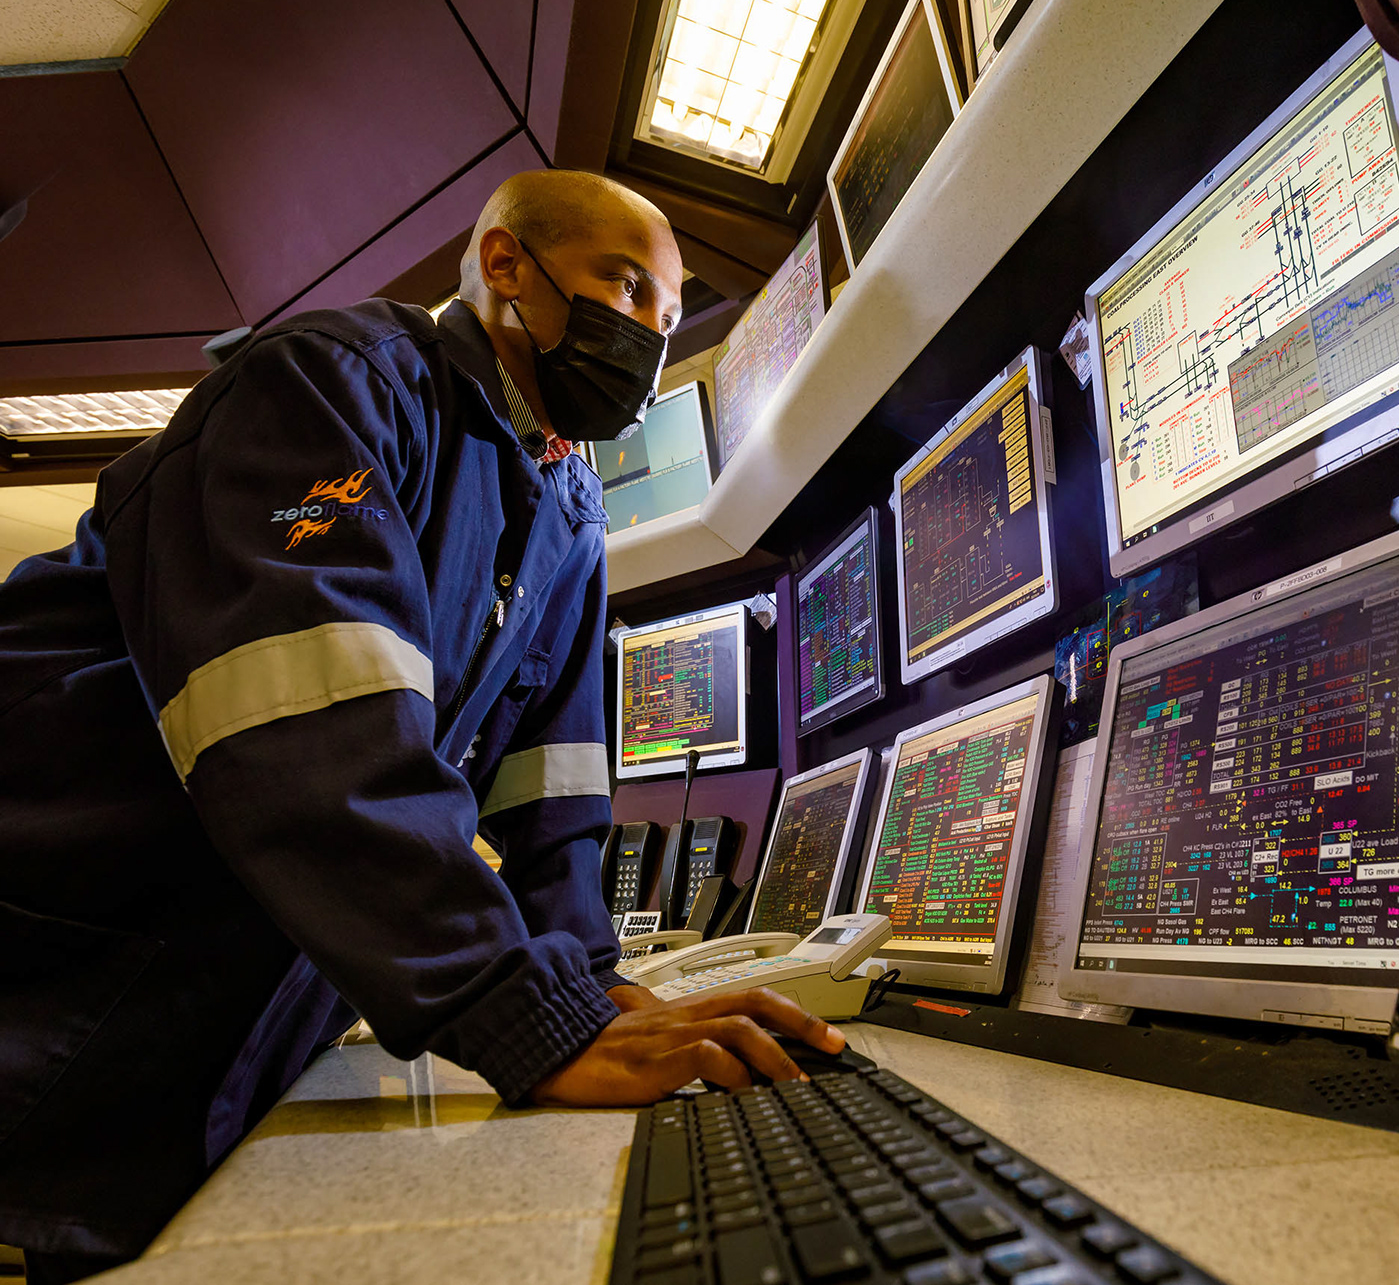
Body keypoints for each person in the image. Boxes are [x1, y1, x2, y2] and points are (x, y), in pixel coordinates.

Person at [0, 170, 842, 1281]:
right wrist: (515, 1013)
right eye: (625, 286)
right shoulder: (332, 383)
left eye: (668, 315)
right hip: (65, 940)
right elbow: (304, 727)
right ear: (506, 266)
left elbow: (554, 789)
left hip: (238, 983)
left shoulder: (569, 508)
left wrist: (587, 990)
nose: (644, 330)